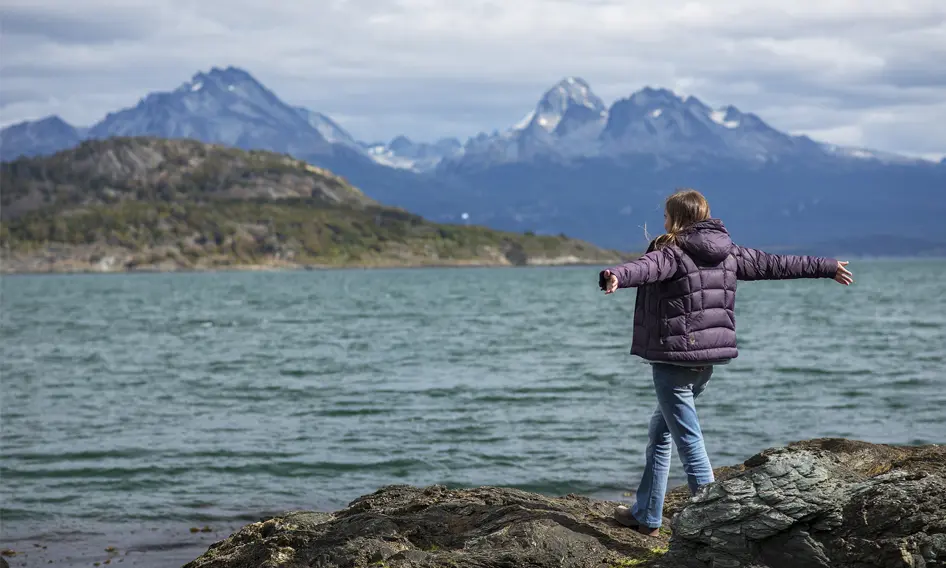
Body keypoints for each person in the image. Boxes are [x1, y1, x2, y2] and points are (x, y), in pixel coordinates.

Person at [598, 188, 853, 537]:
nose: (663, 221)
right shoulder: (729, 251)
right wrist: (826, 266)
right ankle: (646, 514)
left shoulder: (671, 250)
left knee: (688, 441)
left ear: (675, 218)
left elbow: (646, 267)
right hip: (707, 362)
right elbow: (776, 264)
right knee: (661, 434)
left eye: (666, 216)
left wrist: (616, 275)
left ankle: (717, 522)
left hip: (675, 361)